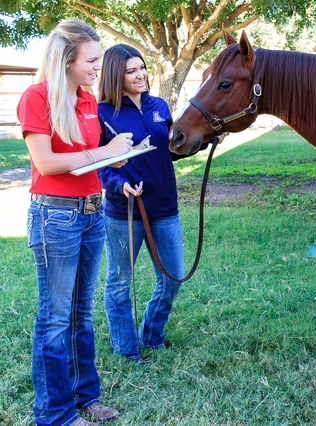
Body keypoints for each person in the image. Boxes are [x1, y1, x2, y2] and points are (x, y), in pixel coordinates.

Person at [17, 18, 133, 426]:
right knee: (55, 318)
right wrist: (102, 153)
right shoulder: (37, 97)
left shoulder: (85, 99)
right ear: (67, 59)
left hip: (91, 211)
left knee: (82, 313)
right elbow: (46, 163)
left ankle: (86, 397)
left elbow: (89, 157)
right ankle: (55, 414)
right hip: (56, 216)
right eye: (92, 60)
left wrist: (113, 155)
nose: (98, 68)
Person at [97, 44, 186, 362]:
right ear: (115, 75)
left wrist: (206, 139)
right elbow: (99, 162)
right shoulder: (103, 113)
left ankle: (151, 333)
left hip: (164, 207)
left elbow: (174, 148)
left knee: (173, 277)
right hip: (124, 211)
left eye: (142, 68)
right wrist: (118, 184)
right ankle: (126, 348)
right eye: (131, 70)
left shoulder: (159, 105)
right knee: (120, 282)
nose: (140, 75)